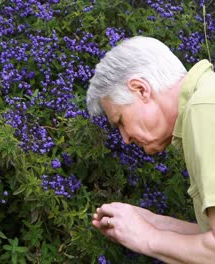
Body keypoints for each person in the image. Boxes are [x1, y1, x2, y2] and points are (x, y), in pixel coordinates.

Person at [86, 36, 215, 263]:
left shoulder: (203, 110)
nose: (124, 139)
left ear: (141, 89)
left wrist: (147, 237)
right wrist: (154, 223)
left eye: (121, 121)